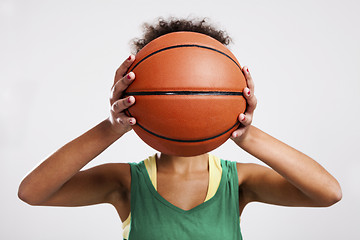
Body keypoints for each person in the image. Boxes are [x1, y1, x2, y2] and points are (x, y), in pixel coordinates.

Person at [18, 18, 342, 240]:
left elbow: (329, 193)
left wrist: (246, 131)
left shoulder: (240, 182)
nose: (188, 93)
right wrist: (112, 126)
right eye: (173, 87)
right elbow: (31, 192)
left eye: (202, 86)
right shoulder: (126, 183)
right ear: (137, 94)